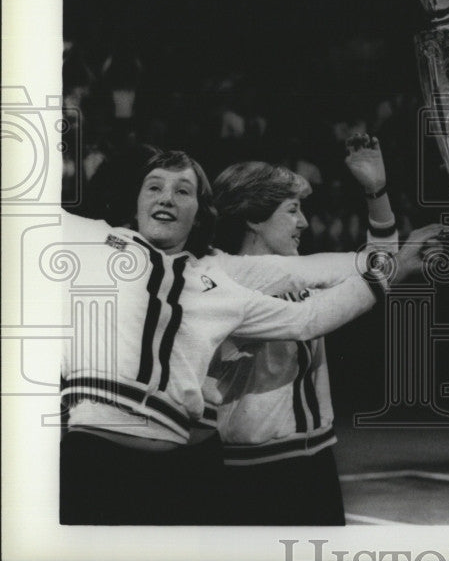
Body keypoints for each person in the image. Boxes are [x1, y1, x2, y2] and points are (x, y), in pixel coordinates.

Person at [59, 149, 424, 525]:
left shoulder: (242, 278)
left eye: (183, 191)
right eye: (292, 209)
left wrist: (378, 204)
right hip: (215, 467)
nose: (304, 222)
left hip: (279, 463)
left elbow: (343, 286)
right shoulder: (116, 248)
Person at [206, 134, 398, 525]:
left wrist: (375, 191)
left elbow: (381, 264)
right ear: (254, 217)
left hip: (315, 460)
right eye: (292, 210)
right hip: (254, 471)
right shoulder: (224, 276)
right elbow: (382, 266)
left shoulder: (302, 274)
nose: (304, 222)